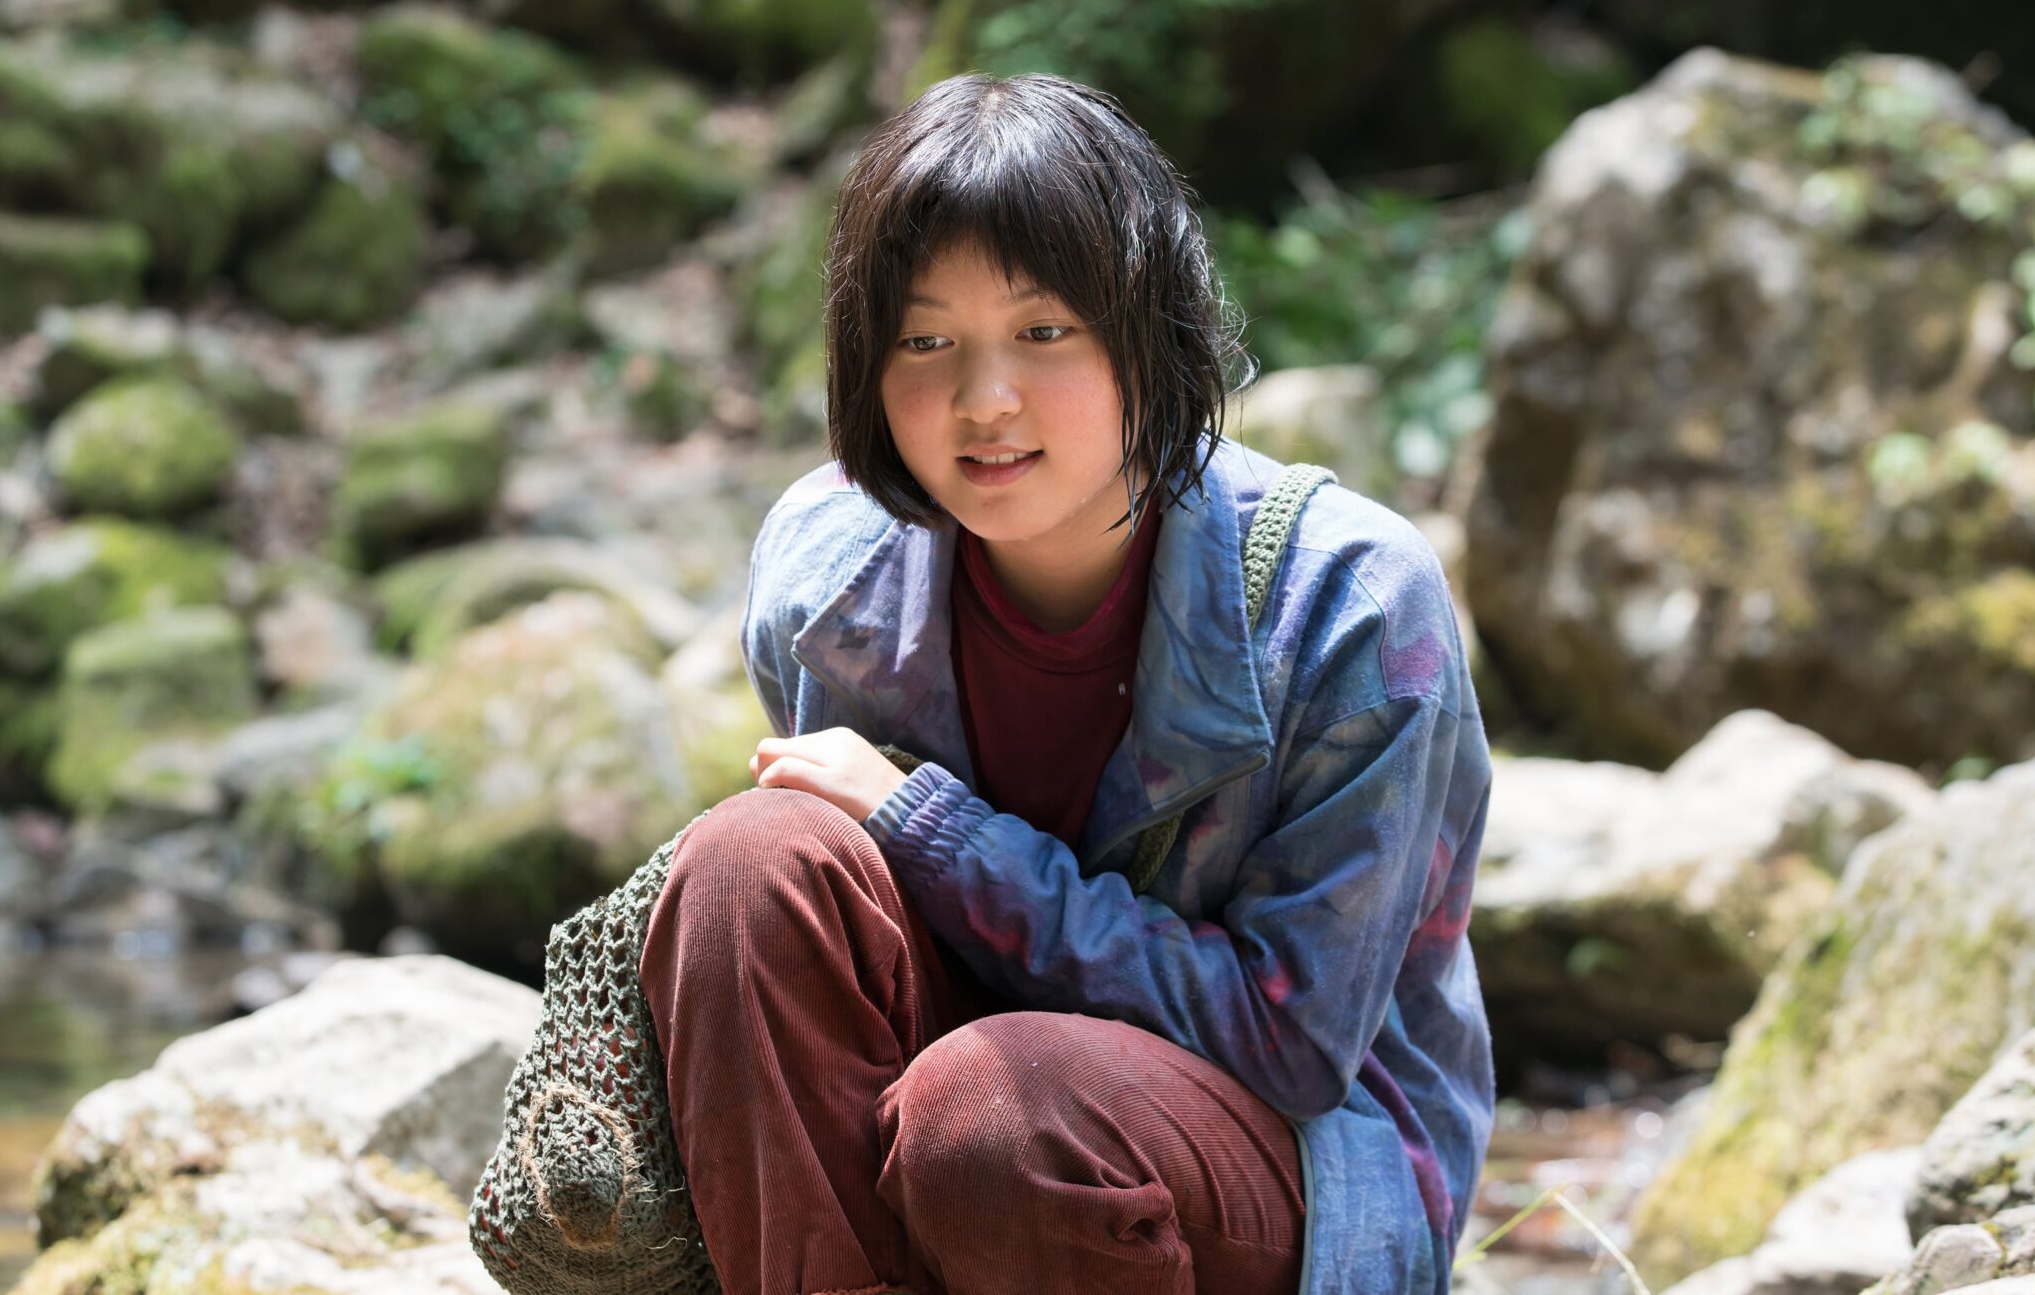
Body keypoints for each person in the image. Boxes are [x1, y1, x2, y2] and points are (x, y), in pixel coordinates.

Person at [638, 72, 1493, 1295]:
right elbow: (816, 999)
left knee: (993, 1116)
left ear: (1151, 335)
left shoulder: (1345, 605)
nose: (983, 402)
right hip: (960, 1126)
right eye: (925, 341)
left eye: (1043, 333)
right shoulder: (822, 577)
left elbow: (1293, 1046)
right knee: (744, 866)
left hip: (1296, 1159)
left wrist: (937, 834)